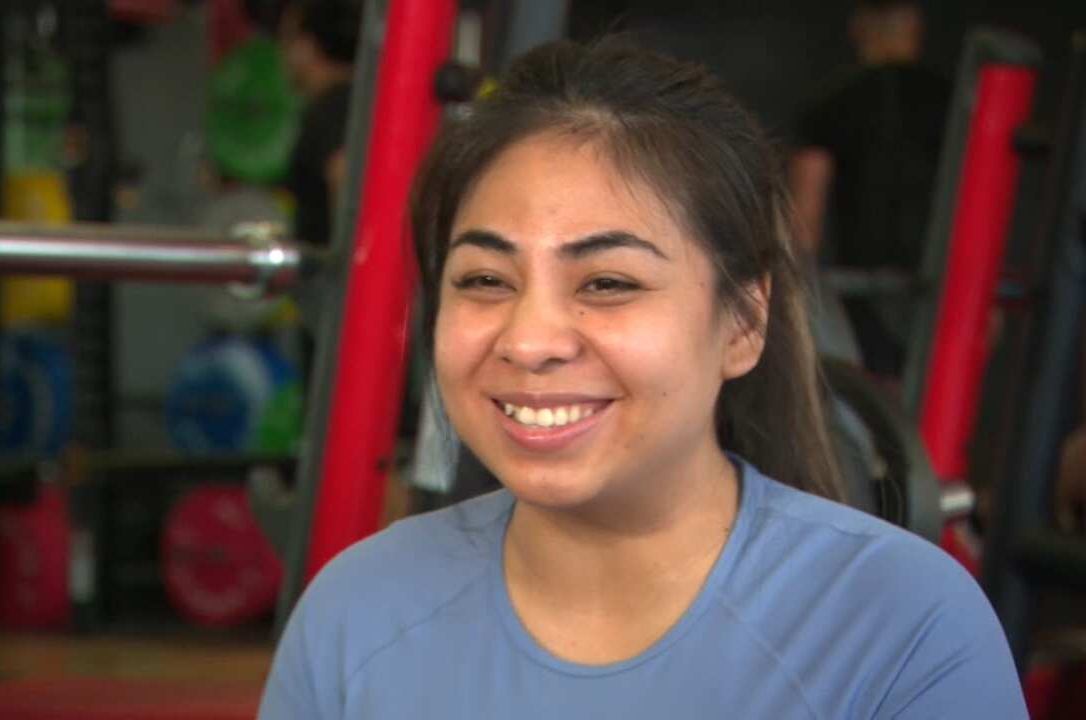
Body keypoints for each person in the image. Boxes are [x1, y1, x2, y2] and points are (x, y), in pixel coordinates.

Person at [260, 39, 1025, 718]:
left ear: (744, 322)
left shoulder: (900, 624)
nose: (528, 340)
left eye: (608, 283)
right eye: (486, 280)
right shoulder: (355, 614)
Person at [790, 0, 951, 378]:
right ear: (915, 24)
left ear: (858, 26)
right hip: (946, 287)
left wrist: (791, 310)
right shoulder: (958, 103)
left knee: (874, 412)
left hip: (864, 293)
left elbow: (804, 227)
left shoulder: (830, 106)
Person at [278, 0, 360, 249]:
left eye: (287, 39)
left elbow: (344, 177)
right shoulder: (356, 101)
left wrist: (344, 269)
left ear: (307, 45)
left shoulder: (334, 107)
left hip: (330, 280)